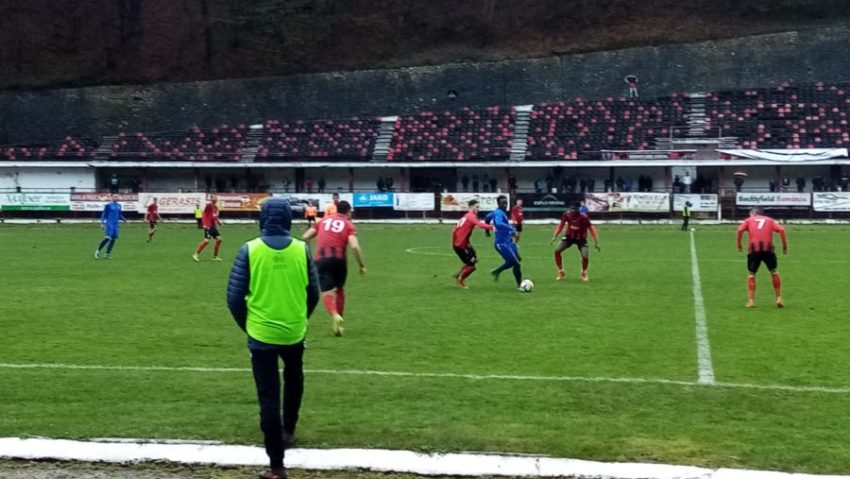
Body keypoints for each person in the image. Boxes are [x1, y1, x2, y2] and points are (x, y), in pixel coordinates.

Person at [226, 198, 320, 479]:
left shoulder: (249, 250)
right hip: (294, 331)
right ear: (289, 220)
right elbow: (313, 293)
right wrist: (300, 321)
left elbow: (234, 299)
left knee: (268, 396)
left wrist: (250, 327)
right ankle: (289, 429)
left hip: (261, 335)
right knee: (294, 379)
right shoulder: (302, 249)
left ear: (263, 219)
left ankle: (277, 466)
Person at [302, 200, 365, 337]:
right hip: (340, 261)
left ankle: (335, 315)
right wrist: (361, 265)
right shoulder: (349, 224)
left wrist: (307, 254)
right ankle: (339, 323)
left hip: (322, 260)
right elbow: (354, 246)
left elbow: (305, 237)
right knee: (340, 289)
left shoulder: (322, 221)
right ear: (348, 212)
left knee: (326, 292)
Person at [736, 207, 789, 308]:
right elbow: (781, 229)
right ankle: (778, 298)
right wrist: (785, 247)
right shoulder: (770, 220)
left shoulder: (748, 220)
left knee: (752, 274)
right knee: (773, 271)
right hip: (768, 249)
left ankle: (751, 301)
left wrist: (739, 245)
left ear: (752, 213)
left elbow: (740, 230)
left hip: (754, 250)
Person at [551, 202, 600, 282]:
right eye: (571, 210)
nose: (572, 212)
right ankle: (561, 271)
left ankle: (584, 272)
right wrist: (555, 235)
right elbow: (561, 225)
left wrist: (596, 241)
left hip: (581, 238)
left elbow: (591, 228)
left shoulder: (584, 217)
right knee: (557, 251)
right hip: (569, 237)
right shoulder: (566, 214)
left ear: (578, 210)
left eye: (574, 211)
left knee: (585, 256)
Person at [451, 199, 494, 289]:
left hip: (463, 243)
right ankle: (460, 280)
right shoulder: (471, 216)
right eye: (477, 207)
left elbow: (455, 231)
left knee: (474, 258)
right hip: (460, 245)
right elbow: (480, 224)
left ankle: (458, 274)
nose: (478, 209)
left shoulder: (466, 216)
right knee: (472, 266)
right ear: (471, 207)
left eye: (479, 207)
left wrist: (467, 243)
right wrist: (493, 227)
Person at [484, 195, 524, 290]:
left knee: (517, 260)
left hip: (509, 242)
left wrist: (486, 230)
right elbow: (498, 223)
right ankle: (519, 285)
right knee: (515, 263)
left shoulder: (497, 212)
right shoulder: (498, 213)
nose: (505, 204)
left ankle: (498, 272)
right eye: (503, 203)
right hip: (501, 243)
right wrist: (511, 229)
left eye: (506, 202)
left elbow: (487, 217)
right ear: (499, 203)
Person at [94, 194, 127, 260]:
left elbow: (119, 214)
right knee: (107, 238)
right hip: (109, 223)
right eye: (115, 196)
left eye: (117, 197)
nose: (116, 198)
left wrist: (124, 219)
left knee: (113, 239)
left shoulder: (119, 205)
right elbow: (104, 214)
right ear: (112, 198)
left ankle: (107, 254)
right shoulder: (108, 205)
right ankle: (97, 251)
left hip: (115, 224)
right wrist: (102, 223)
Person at [193, 195, 223, 262]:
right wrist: (204, 224)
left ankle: (215, 257)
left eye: (216, 198)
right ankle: (195, 254)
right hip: (208, 226)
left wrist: (219, 222)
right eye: (214, 198)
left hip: (213, 227)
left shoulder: (215, 207)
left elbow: (215, 217)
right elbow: (204, 214)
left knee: (219, 239)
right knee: (206, 241)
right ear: (211, 199)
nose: (215, 199)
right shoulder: (209, 205)